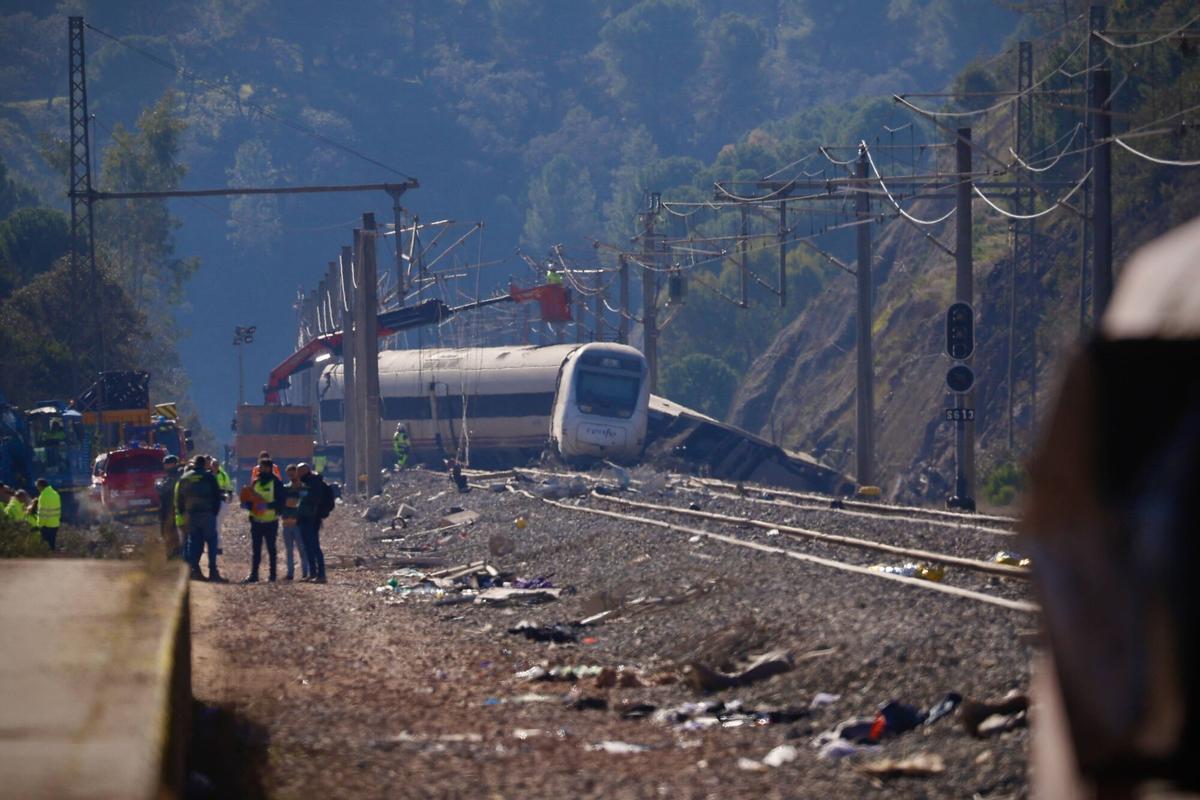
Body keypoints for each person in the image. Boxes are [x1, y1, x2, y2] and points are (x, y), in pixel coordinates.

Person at [176, 455, 225, 581]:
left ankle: (195, 571)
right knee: (211, 541)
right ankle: (213, 571)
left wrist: (183, 512)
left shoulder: (185, 477)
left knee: (194, 543)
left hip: (191, 515)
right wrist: (214, 511)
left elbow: (179, 497)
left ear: (194, 464)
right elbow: (217, 496)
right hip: (207, 514)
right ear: (204, 464)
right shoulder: (209, 477)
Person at [240, 458, 286, 583]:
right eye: (261, 467)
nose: (262, 469)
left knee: (271, 549)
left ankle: (272, 575)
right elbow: (249, 499)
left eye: (265, 467)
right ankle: (254, 575)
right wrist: (248, 505)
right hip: (256, 521)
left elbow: (281, 502)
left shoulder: (276, 483)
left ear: (270, 468)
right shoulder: (256, 482)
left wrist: (267, 506)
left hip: (271, 521)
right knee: (256, 550)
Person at [294, 462, 330, 583]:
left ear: (304, 471)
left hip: (311, 519)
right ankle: (313, 573)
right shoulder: (306, 482)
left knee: (314, 546)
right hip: (304, 518)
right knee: (308, 547)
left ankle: (321, 575)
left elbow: (312, 499)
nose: (297, 474)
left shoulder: (314, 483)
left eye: (299, 472)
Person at [280, 464, 308, 581]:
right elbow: (285, 503)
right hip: (286, 523)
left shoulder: (303, 488)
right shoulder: (286, 488)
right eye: (289, 474)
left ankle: (306, 573)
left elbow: (300, 504)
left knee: (302, 549)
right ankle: (290, 573)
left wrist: (291, 502)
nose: (292, 475)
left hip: (299, 524)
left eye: (293, 473)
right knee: (289, 551)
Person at [155, 454, 184, 559]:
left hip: (173, 510)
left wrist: (158, 486)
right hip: (167, 510)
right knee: (167, 535)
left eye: (167, 464)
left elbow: (164, 489)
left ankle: (175, 557)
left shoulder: (177, 475)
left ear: (173, 464)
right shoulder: (170, 476)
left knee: (173, 535)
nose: (165, 466)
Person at [34, 478, 60, 551]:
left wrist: (40, 525)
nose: (37, 488)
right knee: (52, 545)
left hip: (46, 525)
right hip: (55, 524)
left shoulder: (43, 496)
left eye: (37, 486)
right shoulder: (55, 494)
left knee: (45, 547)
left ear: (41, 486)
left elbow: (43, 513)